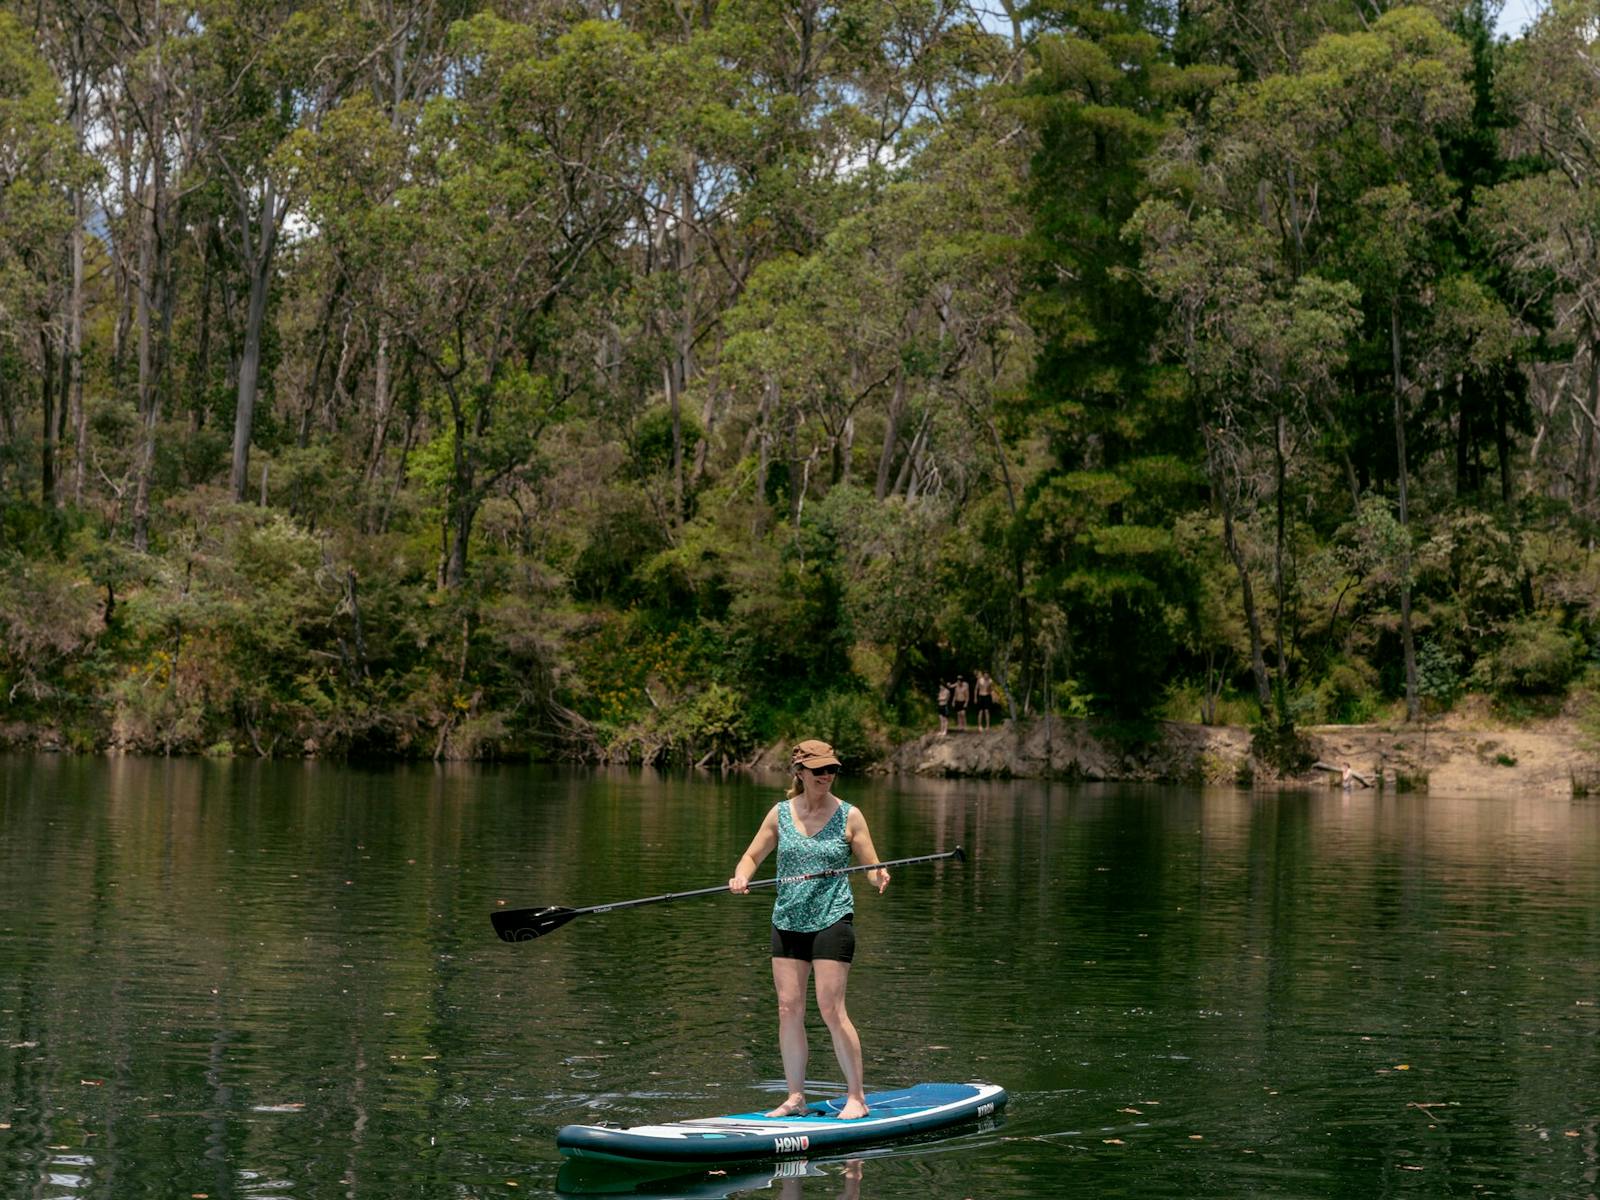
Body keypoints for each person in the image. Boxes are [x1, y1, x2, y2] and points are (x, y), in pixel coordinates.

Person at [729, 739, 889, 1121]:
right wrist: (741, 876)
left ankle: (856, 1097)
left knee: (831, 1008)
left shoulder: (850, 816)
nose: (827, 775)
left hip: (832, 918)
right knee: (788, 1008)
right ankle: (795, 1097)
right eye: (819, 770)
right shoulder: (780, 814)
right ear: (799, 772)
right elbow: (751, 856)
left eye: (832, 769)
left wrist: (878, 875)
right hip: (787, 920)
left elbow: (871, 865)